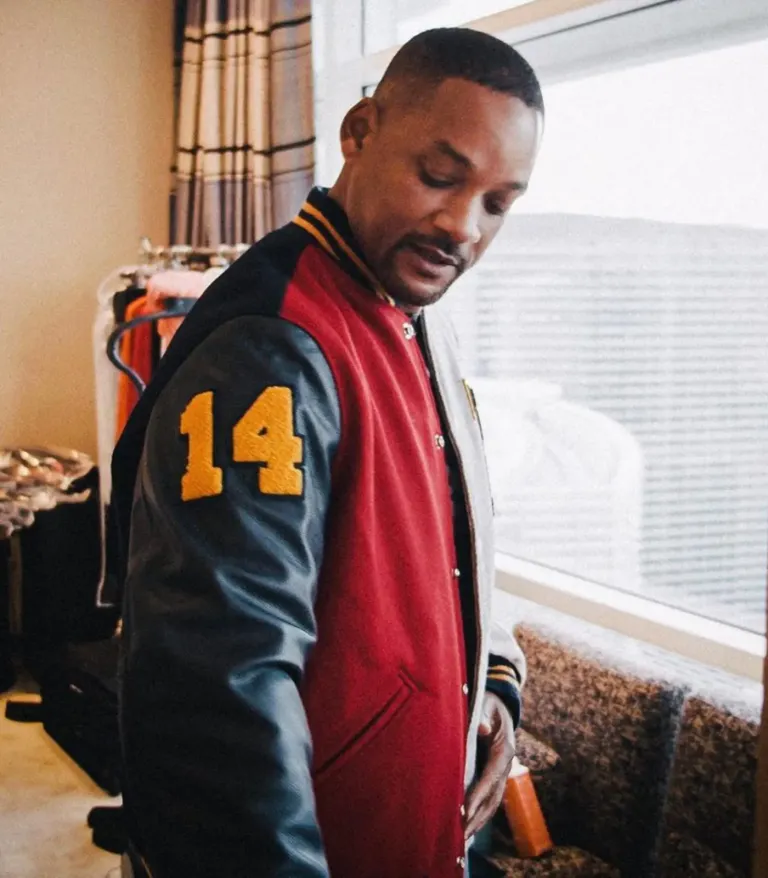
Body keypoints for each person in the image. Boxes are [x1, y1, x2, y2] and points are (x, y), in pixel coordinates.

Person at [112, 26, 544, 878]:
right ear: (358, 132)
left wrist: (490, 685)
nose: (463, 226)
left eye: (498, 203)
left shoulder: (415, 320)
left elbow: (448, 550)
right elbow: (217, 691)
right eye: (439, 176)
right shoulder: (271, 345)